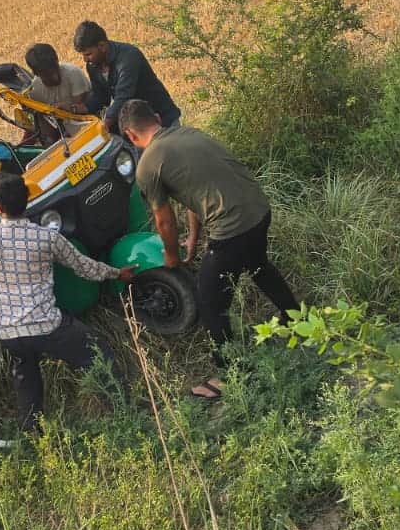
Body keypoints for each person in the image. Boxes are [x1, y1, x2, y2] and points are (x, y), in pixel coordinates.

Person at [121, 99, 300, 401]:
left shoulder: (148, 164)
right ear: (156, 117)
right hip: (258, 210)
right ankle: (296, 320)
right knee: (258, 266)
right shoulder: (189, 134)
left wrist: (172, 256)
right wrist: (194, 236)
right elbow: (196, 192)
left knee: (209, 301)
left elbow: (164, 221)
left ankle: (232, 373)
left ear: (129, 135)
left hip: (233, 228)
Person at [0, 172, 135, 434]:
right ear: (28, 200)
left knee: (26, 377)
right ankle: (122, 409)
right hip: (46, 326)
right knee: (97, 352)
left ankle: (34, 434)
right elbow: (83, 267)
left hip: (6, 332)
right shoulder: (47, 238)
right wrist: (117, 273)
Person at [74, 20, 181, 137]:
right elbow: (100, 96)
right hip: (137, 128)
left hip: (161, 120)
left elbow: (123, 95)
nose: (85, 60)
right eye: (83, 55)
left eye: (88, 54)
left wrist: (105, 124)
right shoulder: (93, 66)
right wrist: (79, 108)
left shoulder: (128, 57)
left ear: (102, 46)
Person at [23, 43, 91, 113]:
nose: (55, 78)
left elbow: (81, 108)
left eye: (55, 70)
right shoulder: (35, 90)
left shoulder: (73, 74)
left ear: (57, 61)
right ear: (36, 73)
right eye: (47, 75)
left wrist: (68, 108)